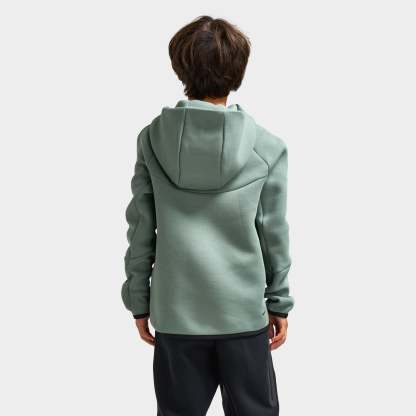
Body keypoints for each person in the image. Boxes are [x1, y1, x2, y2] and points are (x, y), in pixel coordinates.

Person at [121, 15, 294, 416]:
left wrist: (139, 300)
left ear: (180, 68)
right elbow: (273, 234)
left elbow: (141, 227)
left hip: (176, 314)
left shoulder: (152, 140)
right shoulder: (266, 147)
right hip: (244, 316)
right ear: (238, 72)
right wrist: (279, 302)